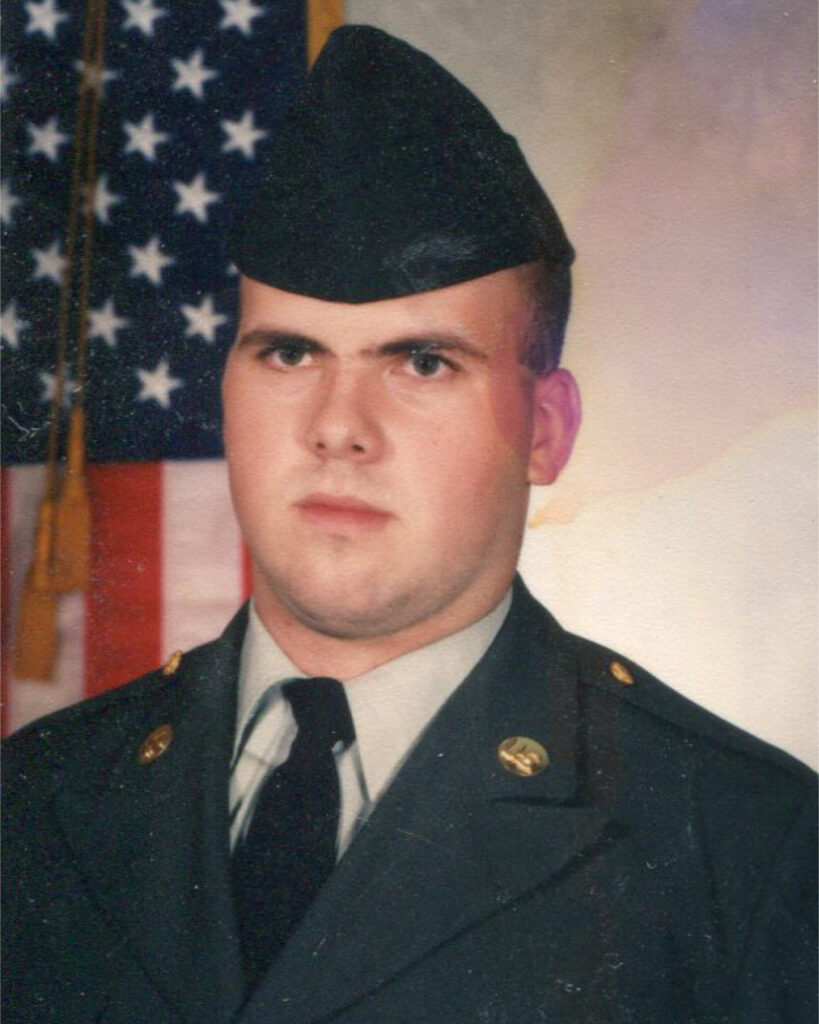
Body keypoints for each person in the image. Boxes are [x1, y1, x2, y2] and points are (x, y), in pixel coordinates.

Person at [3, 25, 815, 1024]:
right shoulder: (35, 803)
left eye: (422, 363)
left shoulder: (747, 847)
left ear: (546, 430)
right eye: (290, 354)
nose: (339, 429)